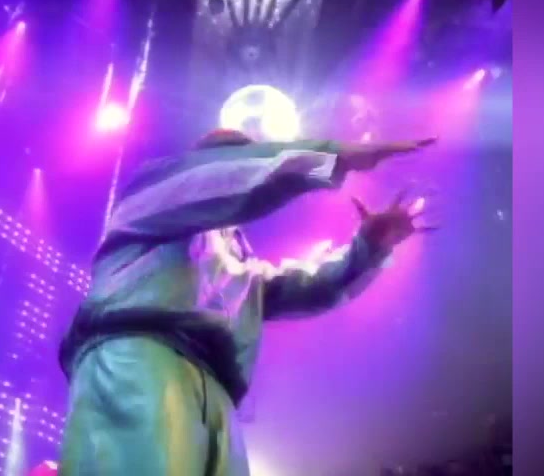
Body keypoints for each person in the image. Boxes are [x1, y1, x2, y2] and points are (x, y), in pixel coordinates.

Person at [58, 129, 436, 475]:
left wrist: (370, 246)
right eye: (233, 156)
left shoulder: (242, 268)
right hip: (141, 354)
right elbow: (218, 178)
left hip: (218, 389)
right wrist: (328, 156)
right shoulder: (153, 195)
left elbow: (313, 287)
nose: (246, 164)